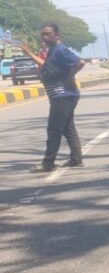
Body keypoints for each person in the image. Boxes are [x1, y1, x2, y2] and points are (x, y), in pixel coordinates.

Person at [23, 23, 85, 173]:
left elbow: (80, 62)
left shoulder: (60, 50)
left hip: (63, 95)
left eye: (48, 34)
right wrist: (29, 53)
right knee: (68, 128)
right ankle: (76, 159)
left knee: (54, 130)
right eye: (43, 34)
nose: (45, 37)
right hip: (62, 95)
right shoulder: (52, 51)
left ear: (57, 35)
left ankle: (48, 163)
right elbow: (46, 65)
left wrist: (70, 76)